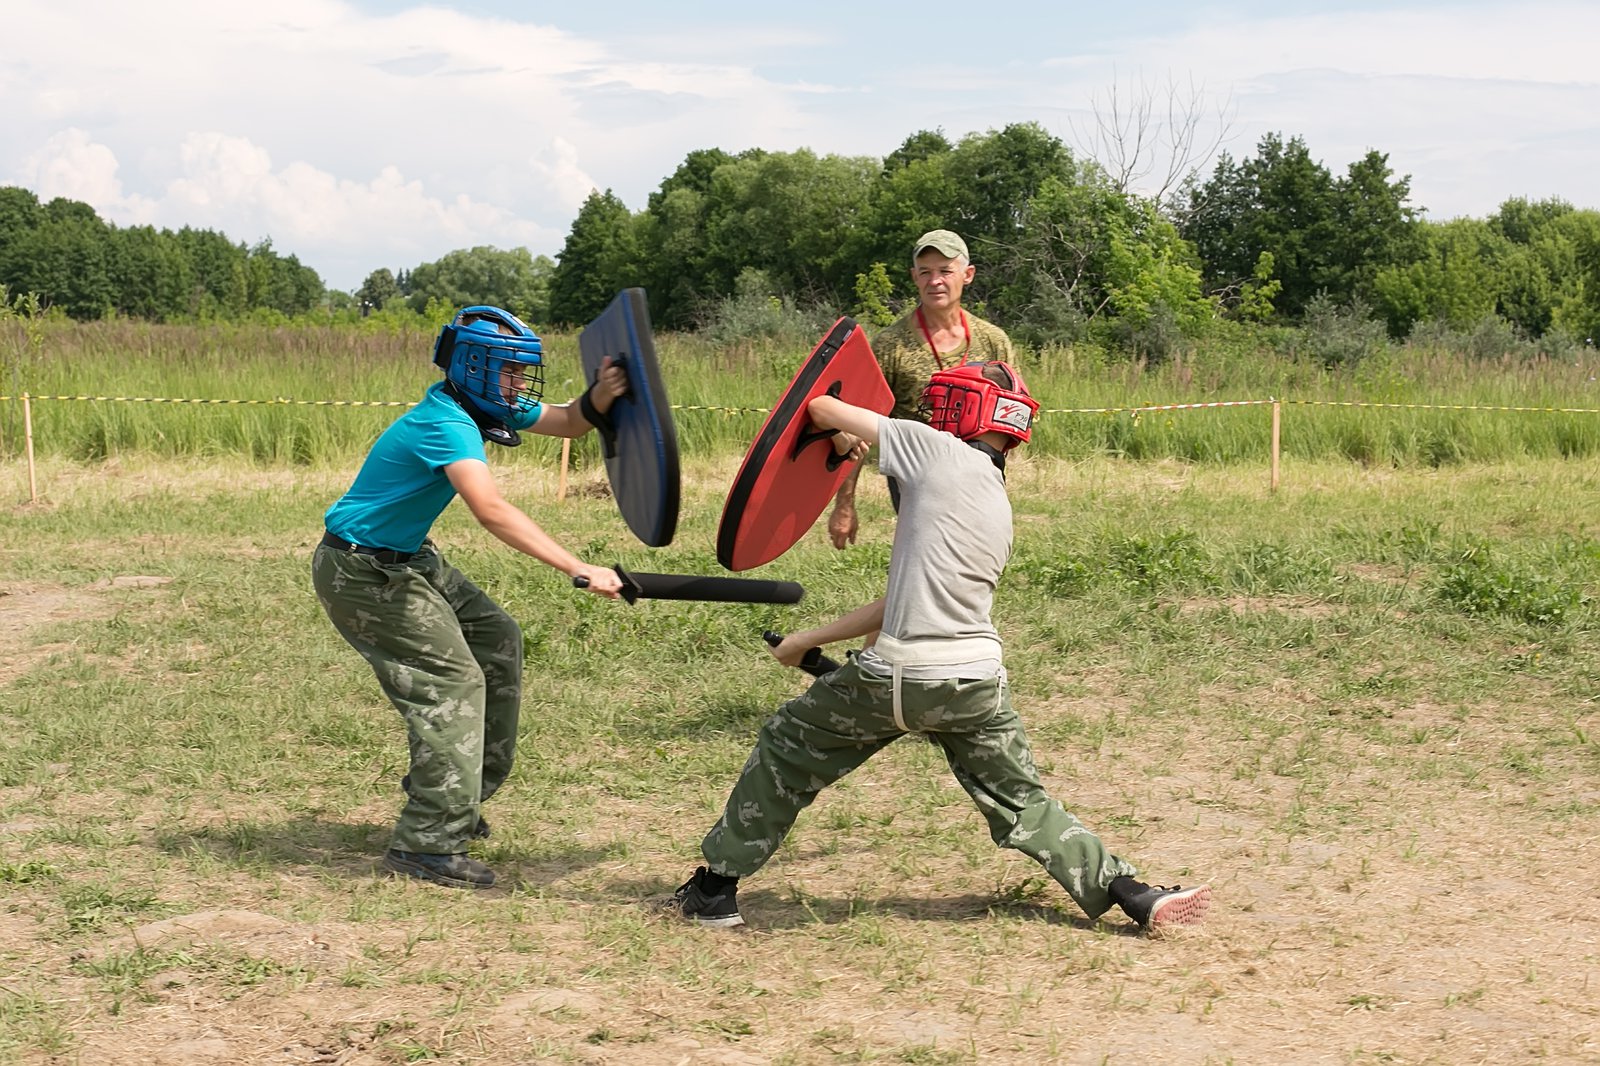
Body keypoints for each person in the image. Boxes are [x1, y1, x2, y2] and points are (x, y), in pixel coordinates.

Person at [666, 361, 1210, 932]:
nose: (930, 413)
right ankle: (1130, 892)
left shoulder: (934, 449)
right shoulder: (995, 503)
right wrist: (806, 640)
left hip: (897, 675)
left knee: (785, 748)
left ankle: (713, 890)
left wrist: (845, 433)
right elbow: (899, 600)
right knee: (1023, 803)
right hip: (976, 683)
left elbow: (821, 408)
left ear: (968, 411)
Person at [313, 305, 626, 890]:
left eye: (520, 371)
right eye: (509, 371)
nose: (519, 384)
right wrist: (579, 567)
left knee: (495, 639)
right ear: (475, 367)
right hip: (361, 571)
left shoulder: (482, 401)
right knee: (451, 681)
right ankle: (426, 843)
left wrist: (604, 394)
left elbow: (567, 421)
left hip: (409, 559)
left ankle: (455, 791)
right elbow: (491, 510)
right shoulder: (446, 421)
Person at [827, 228, 1017, 550]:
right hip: (917, 484)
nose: (935, 280)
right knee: (929, 568)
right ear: (914, 277)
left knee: (972, 571)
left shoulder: (993, 340)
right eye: (925, 272)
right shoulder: (890, 345)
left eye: (945, 271)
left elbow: (1014, 417)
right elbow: (856, 426)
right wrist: (844, 504)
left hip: (980, 480)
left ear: (967, 275)